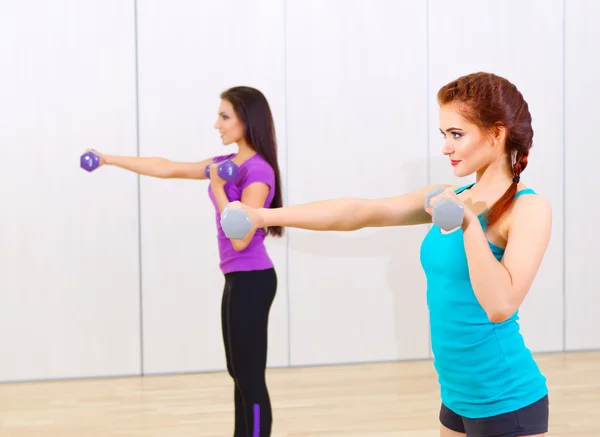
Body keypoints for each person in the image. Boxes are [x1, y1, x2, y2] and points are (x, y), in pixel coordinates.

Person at [224, 72, 551, 437]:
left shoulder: (528, 209)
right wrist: (262, 215)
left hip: (507, 399)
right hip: (457, 398)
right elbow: (359, 212)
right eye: (444, 135)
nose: (446, 147)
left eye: (457, 134)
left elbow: (500, 304)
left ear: (496, 133)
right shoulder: (448, 196)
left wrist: (470, 226)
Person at [86, 86, 283, 437]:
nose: (216, 125)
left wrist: (219, 188)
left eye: (225, 117)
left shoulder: (258, 172)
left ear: (246, 121)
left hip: (253, 278)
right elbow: (168, 168)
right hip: (237, 279)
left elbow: (240, 237)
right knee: (237, 372)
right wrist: (109, 159)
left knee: (250, 377)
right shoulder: (226, 165)